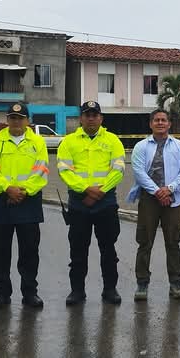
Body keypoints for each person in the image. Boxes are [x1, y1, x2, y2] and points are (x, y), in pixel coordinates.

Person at [57, 101, 127, 306]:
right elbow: (64, 171)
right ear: (81, 118)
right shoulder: (68, 142)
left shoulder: (113, 140)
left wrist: (99, 192)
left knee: (108, 249)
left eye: (95, 115)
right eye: (87, 115)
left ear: (101, 118)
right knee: (78, 251)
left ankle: (110, 289)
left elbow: (118, 170)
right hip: (79, 203)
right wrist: (86, 189)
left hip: (105, 202)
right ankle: (77, 291)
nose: (91, 118)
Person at [0, 103, 49, 310]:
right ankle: (1, 293)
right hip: (1, 201)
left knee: (29, 251)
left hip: (28, 201)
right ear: (7, 120)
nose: (16, 122)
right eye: (12, 118)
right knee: (0, 251)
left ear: (27, 120)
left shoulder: (37, 142)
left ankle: (30, 292)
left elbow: (41, 171)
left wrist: (23, 191)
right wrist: (7, 189)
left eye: (20, 118)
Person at [127, 109, 180, 301]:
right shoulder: (141, 146)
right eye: (156, 120)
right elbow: (139, 172)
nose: (160, 123)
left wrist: (169, 189)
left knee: (173, 241)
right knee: (145, 241)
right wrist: (157, 192)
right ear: (151, 124)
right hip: (149, 199)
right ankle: (142, 283)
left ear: (169, 124)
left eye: (164, 120)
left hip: (173, 198)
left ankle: (175, 282)